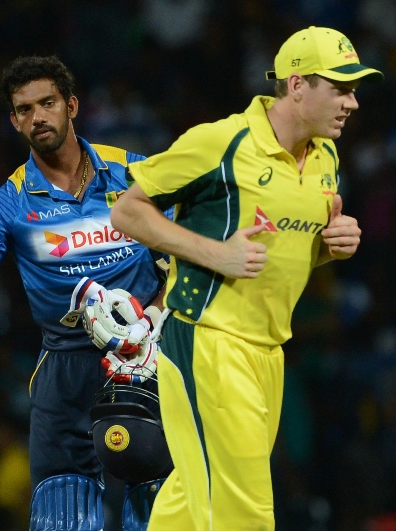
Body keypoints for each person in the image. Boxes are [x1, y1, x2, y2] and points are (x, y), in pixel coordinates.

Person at [109, 26, 380, 530]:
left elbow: (279, 252)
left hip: (268, 349)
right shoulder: (222, 143)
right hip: (208, 339)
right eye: (341, 87)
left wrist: (329, 246)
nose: (352, 102)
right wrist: (217, 254)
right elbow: (127, 211)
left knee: (194, 497)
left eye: (355, 89)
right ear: (297, 85)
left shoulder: (326, 157)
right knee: (244, 509)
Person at [0, 55, 171, 530]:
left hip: (148, 359)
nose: (37, 117)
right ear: (14, 121)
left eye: (47, 103)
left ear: (71, 106)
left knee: (159, 514)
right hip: (65, 376)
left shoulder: (135, 173)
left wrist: (153, 317)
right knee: (62, 515)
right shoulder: (5, 205)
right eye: (24, 109)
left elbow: (187, 257)